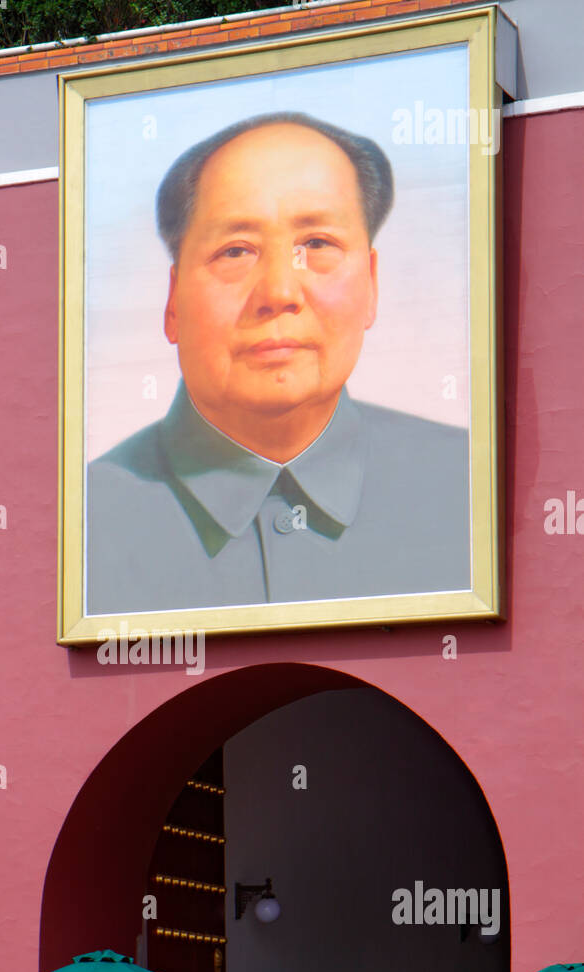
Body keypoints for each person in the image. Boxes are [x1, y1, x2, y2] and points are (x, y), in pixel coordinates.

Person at [87, 112, 469, 616]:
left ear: (372, 282)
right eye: (236, 251)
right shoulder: (85, 523)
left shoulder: (467, 488)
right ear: (173, 301)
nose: (279, 293)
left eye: (316, 244)